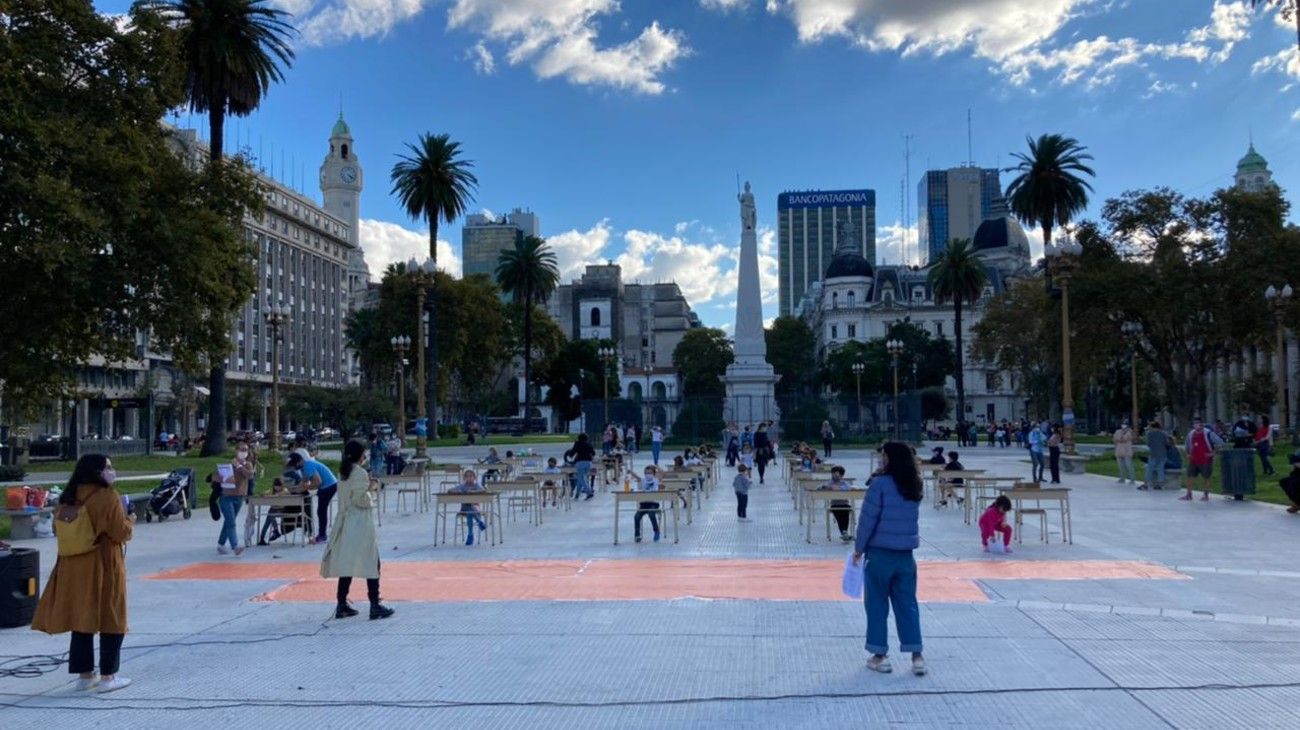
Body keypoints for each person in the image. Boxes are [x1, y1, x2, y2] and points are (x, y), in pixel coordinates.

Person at [31, 454, 134, 693]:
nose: (112, 470)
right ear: (97, 472)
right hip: (104, 562)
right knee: (112, 616)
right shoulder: (107, 497)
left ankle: (84, 675)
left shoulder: (69, 497)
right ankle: (109, 676)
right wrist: (130, 521)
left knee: (82, 617)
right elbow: (120, 533)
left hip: (73, 565)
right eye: (107, 467)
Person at [852, 441, 926, 676]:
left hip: (880, 554)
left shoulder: (880, 484)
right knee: (908, 605)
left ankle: (879, 655)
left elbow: (867, 520)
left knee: (876, 605)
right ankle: (917, 656)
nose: (880, 459)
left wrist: (858, 549)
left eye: (883, 456)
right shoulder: (914, 485)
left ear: (889, 458)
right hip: (906, 556)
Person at [321, 440, 394, 620]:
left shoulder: (343, 472)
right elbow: (361, 499)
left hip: (345, 521)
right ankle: (375, 604)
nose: (365, 456)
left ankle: (341, 604)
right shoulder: (360, 473)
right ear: (359, 455)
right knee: (372, 563)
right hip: (359, 522)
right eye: (364, 453)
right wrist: (372, 489)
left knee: (347, 564)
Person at [289, 448, 339, 545]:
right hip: (325, 485)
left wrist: (305, 488)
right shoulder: (304, 468)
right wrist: (294, 489)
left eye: (295, 465)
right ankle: (322, 534)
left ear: (300, 461)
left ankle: (322, 535)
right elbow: (304, 481)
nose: (294, 467)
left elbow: (318, 482)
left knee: (321, 510)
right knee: (321, 510)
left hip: (329, 485)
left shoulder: (308, 466)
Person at [213, 444, 254, 556]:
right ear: (236, 450)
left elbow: (249, 476)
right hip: (226, 497)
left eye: (245, 450)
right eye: (241, 449)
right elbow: (214, 476)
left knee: (228, 522)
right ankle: (235, 546)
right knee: (231, 522)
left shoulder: (248, 465)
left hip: (239, 497)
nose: (243, 452)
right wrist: (220, 477)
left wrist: (240, 467)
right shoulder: (228, 464)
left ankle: (221, 544)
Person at [1182, 418, 1224, 501]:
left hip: (1205, 460)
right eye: (1194, 423)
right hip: (1194, 459)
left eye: (1198, 423)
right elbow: (1187, 444)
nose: (1196, 425)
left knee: (1206, 477)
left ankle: (1206, 495)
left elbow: (1220, 443)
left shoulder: (1209, 433)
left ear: (1202, 424)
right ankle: (1188, 494)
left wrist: (1213, 453)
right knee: (1190, 476)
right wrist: (1188, 454)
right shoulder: (1191, 433)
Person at [451, 469, 490, 545]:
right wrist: (458, 491)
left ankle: (470, 535)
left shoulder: (476, 485)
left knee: (470, 512)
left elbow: (484, 491)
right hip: (464, 508)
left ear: (474, 477)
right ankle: (479, 522)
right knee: (469, 510)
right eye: (467, 476)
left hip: (475, 507)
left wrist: (474, 492)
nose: (469, 478)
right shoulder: (462, 486)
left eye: (471, 476)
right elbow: (450, 490)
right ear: (464, 478)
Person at [819, 465, 854, 541]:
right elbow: (820, 487)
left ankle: (844, 532)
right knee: (839, 516)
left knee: (845, 514)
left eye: (836, 474)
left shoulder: (844, 483)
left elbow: (849, 488)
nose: (834, 476)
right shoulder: (830, 483)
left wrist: (838, 488)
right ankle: (844, 533)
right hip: (834, 505)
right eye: (833, 474)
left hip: (845, 504)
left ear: (841, 475)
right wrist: (825, 487)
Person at [630, 465, 662, 543]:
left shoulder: (656, 480)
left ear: (654, 473)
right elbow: (636, 477)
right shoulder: (643, 480)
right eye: (646, 473)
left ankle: (656, 531)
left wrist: (655, 466)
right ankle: (637, 535)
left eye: (650, 473)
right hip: (644, 504)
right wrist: (630, 472)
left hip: (653, 503)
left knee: (651, 513)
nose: (648, 474)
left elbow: (662, 473)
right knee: (637, 516)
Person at [1142, 420, 1171, 490]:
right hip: (1162, 454)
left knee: (1149, 469)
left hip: (1153, 454)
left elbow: (1148, 444)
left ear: (1152, 427)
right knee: (1160, 469)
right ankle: (1160, 485)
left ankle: (1146, 484)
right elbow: (1167, 443)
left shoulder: (1150, 434)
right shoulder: (1164, 434)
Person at [570, 433, 596, 500]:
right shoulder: (589, 444)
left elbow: (572, 452)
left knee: (581, 478)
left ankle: (589, 491)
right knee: (581, 478)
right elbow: (593, 453)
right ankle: (577, 495)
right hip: (589, 463)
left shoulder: (578, 443)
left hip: (580, 462)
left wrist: (570, 455)